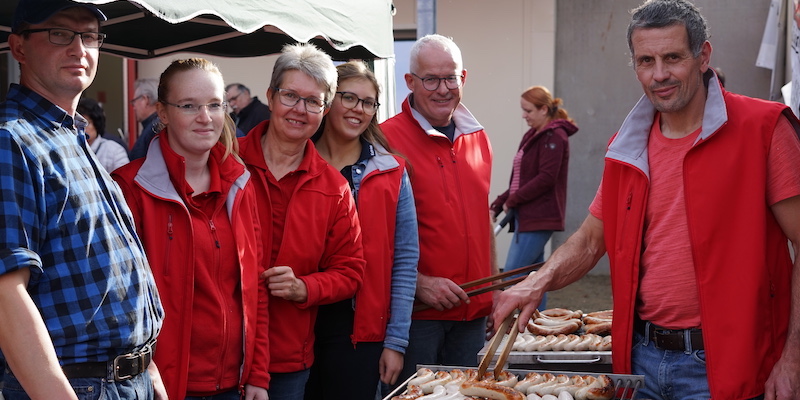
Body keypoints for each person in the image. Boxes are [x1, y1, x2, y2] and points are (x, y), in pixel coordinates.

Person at [490, 1, 800, 399]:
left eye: (673, 58)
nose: (659, 75)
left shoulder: (765, 129)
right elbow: (589, 241)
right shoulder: (627, 146)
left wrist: (792, 357)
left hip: (730, 362)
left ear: (703, 56)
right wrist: (536, 283)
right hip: (641, 362)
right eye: (646, 60)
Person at [0, 1, 164, 399]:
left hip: (125, 379)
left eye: (89, 35)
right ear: (19, 47)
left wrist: (148, 370)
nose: (79, 49)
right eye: (59, 33)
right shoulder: (12, 139)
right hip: (76, 384)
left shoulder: (71, 135)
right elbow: (6, 295)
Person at [112, 58, 270, 400]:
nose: (205, 117)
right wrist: (146, 373)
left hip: (234, 385)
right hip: (163, 385)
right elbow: (120, 299)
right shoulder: (130, 187)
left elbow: (253, 285)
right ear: (163, 113)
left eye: (215, 105)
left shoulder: (241, 183)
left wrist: (257, 372)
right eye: (189, 106)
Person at [237, 43, 366, 400]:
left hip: (286, 359)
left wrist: (304, 288)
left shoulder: (334, 188)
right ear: (270, 96)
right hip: (222, 354)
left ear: (324, 110)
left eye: (312, 101)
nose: (300, 110)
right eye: (290, 95)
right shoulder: (226, 163)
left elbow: (351, 271)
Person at [380, 34, 498, 387]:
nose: (443, 89)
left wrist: (493, 289)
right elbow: (372, 237)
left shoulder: (477, 136)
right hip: (417, 316)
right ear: (410, 82)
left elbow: (483, 218)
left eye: (451, 78)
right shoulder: (386, 140)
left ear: (464, 78)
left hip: (474, 312)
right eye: (431, 79)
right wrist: (419, 284)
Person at [305, 61, 419, 400]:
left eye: (368, 102)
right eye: (350, 98)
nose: (359, 109)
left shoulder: (392, 172)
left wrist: (396, 342)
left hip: (359, 332)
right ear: (327, 101)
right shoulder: (295, 162)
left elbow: (404, 260)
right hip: (297, 327)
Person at [489, 86, 578, 309]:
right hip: (526, 216)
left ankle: (504, 327)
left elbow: (546, 178)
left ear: (544, 109)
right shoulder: (532, 135)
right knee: (534, 276)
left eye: (528, 110)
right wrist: (499, 204)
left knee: (511, 276)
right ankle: (537, 326)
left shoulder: (555, 137)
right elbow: (520, 180)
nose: (524, 115)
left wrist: (512, 201)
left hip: (539, 217)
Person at [77, 97, 130, 172]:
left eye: (87, 123)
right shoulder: (70, 149)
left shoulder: (114, 150)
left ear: (97, 124)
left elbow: (123, 179)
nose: (82, 128)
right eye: (77, 124)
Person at [129, 78, 160, 160]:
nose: (134, 107)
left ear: (145, 100)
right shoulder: (154, 126)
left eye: (134, 101)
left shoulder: (155, 129)